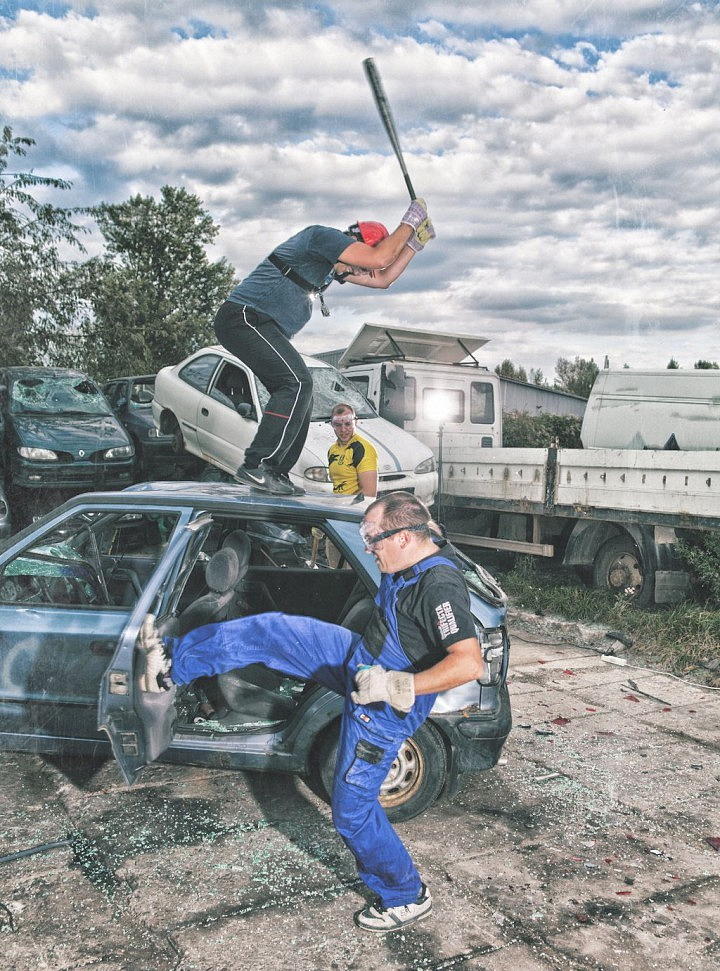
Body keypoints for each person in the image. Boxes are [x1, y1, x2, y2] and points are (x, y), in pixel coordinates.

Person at [140, 491, 488, 934]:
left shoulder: (439, 585)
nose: (367, 548)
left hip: (383, 703)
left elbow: (468, 662)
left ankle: (405, 896)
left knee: (350, 810)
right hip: (362, 662)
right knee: (273, 630)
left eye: (372, 539)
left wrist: (398, 685)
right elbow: (431, 529)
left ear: (403, 538)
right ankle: (170, 664)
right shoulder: (415, 547)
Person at [214, 202, 435, 496]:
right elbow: (379, 257)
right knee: (296, 382)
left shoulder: (329, 268)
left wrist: (414, 244)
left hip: (260, 324)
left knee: (301, 395)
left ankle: (275, 472)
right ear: (355, 244)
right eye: (358, 263)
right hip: (243, 317)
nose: (358, 271)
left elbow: (383, 278)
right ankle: (258, 466)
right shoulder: (322, 238)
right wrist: (410, 221)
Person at [327, 403, 378, 500]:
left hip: (354, 510)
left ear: (356, 422)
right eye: (338, 425)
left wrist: (346, 506)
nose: (343, 429)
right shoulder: (332, 450)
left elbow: (369, 493)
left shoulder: (362, 448)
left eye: (348, 424)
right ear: (332, 425)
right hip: (338, 507)